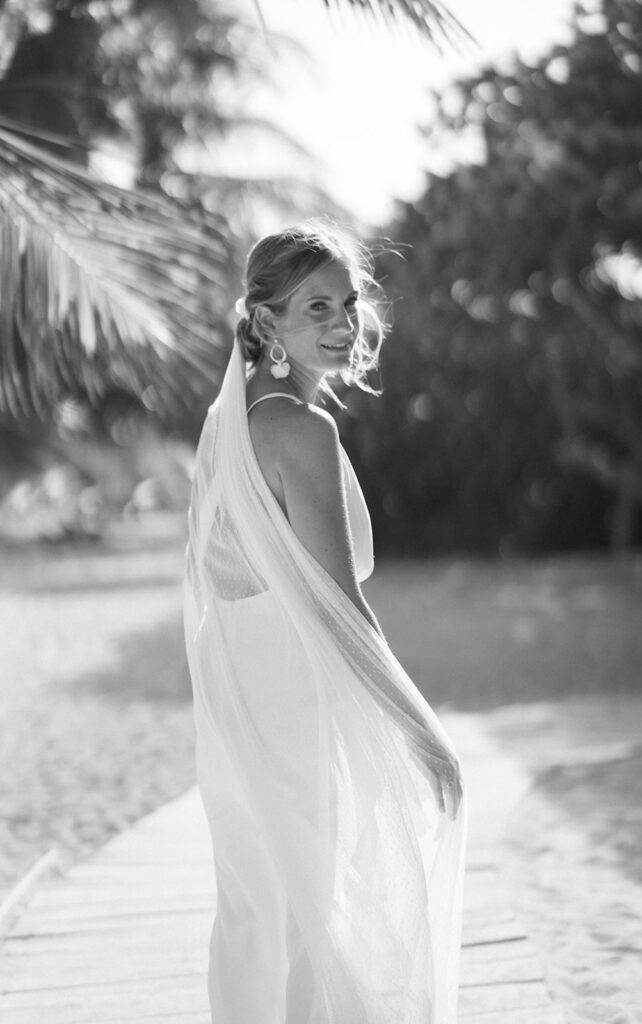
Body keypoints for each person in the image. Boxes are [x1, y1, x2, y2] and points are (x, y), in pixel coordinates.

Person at [183, 221, 467, 1024]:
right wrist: (420, 730)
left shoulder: (229, 420)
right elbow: (339, 607)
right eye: (316, 307)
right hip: (291, 699)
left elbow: (228, 576)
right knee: (316, 909)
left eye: (347, 303)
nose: (343, 323)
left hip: (240, 694)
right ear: (265, 320)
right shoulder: (299, 431)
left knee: (261, 910)